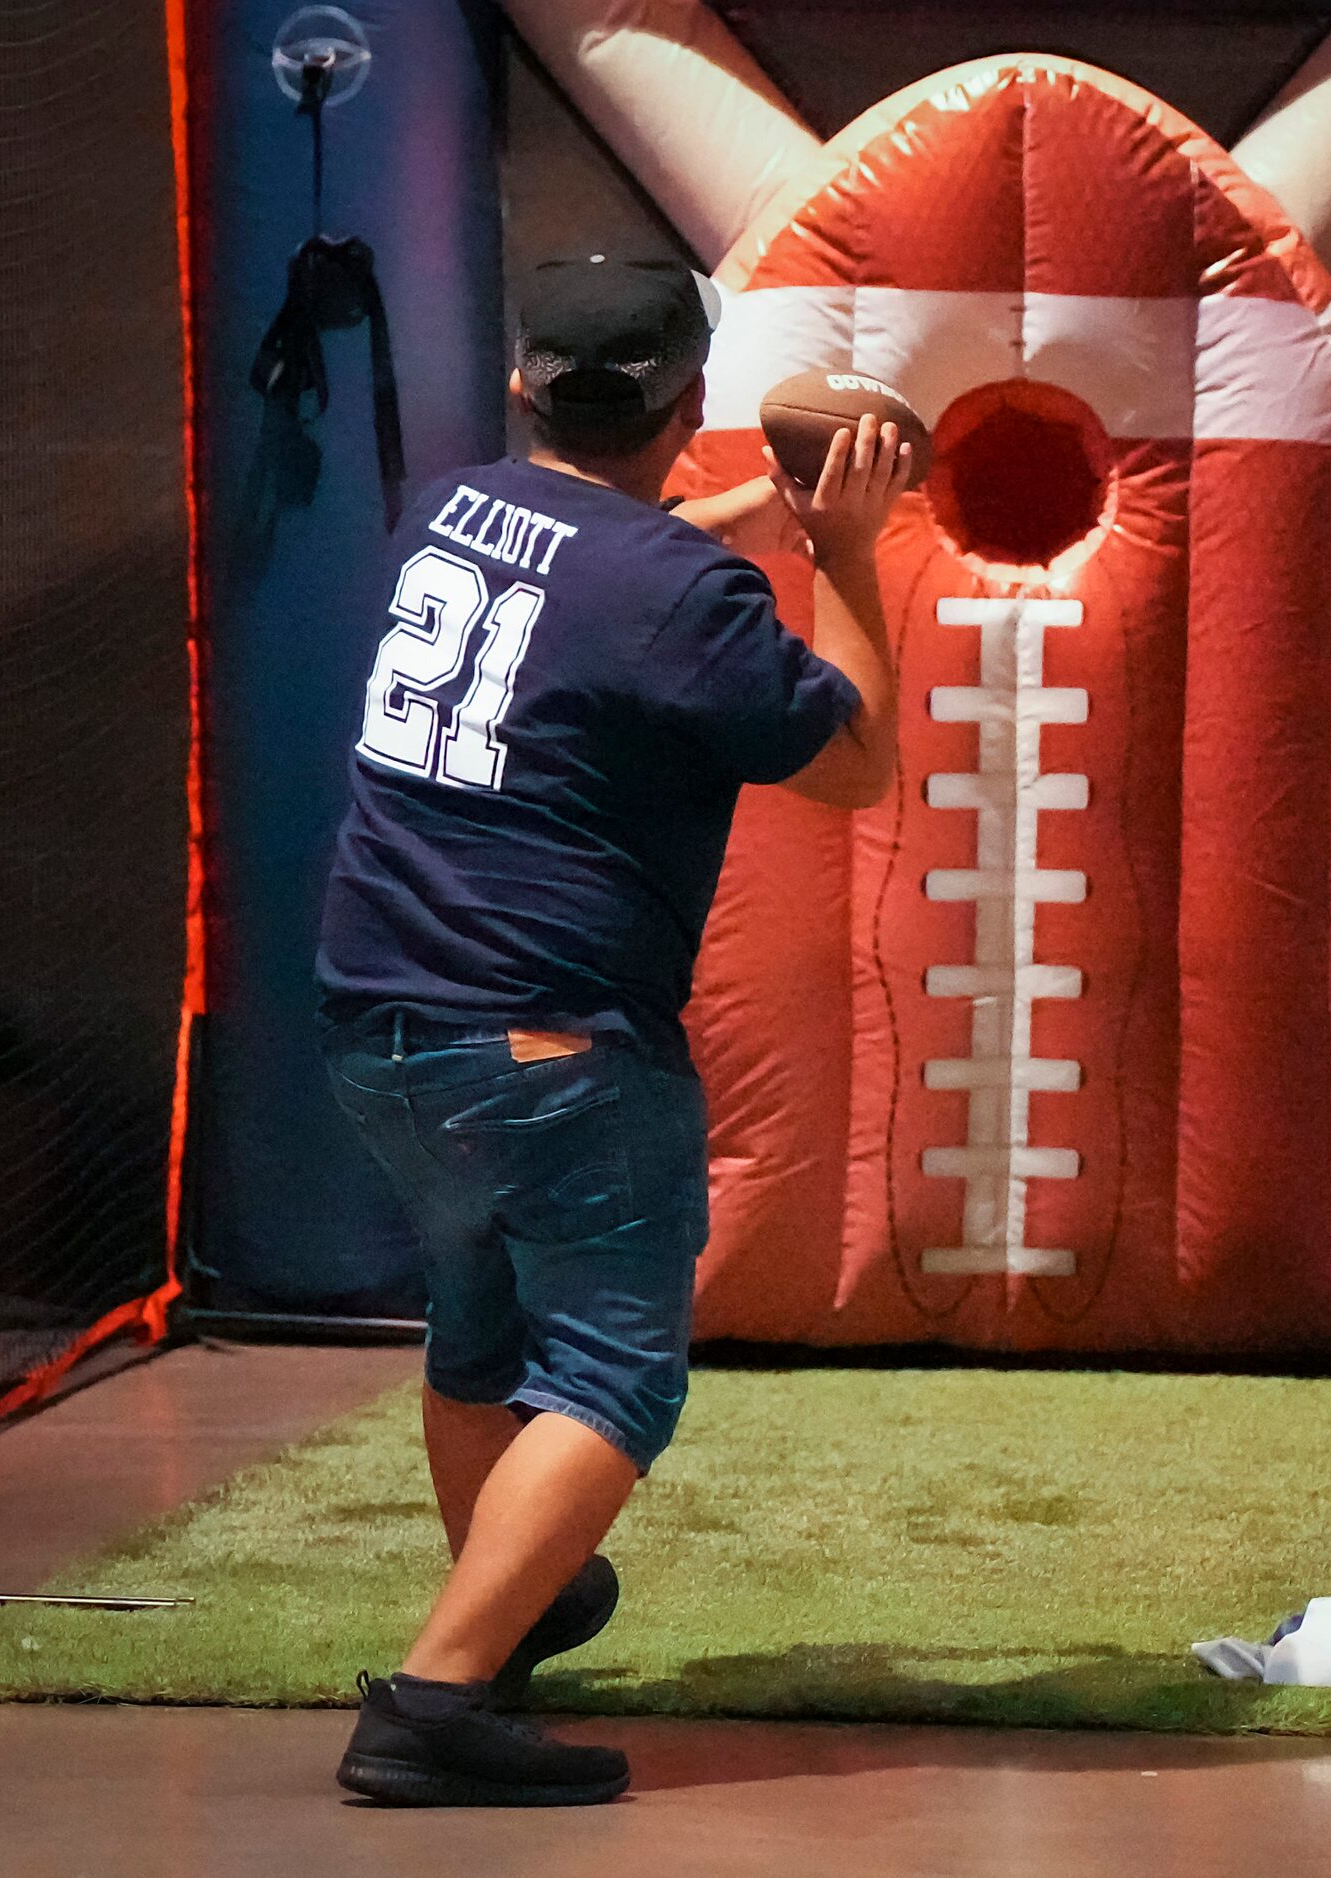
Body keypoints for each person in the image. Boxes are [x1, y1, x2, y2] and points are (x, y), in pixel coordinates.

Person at [313, 251, 910, 1807]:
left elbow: (596, 569)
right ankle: (435, 1702)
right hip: (551, 1043)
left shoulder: (444, 511)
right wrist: (843, 553)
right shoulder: (675, 592)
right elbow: (850, 761)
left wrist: (747, 530)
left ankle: (495, 1619)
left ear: (522, 381)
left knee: (480, 1329)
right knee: (614, 1375)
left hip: (378, 1023)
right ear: (689, 404)